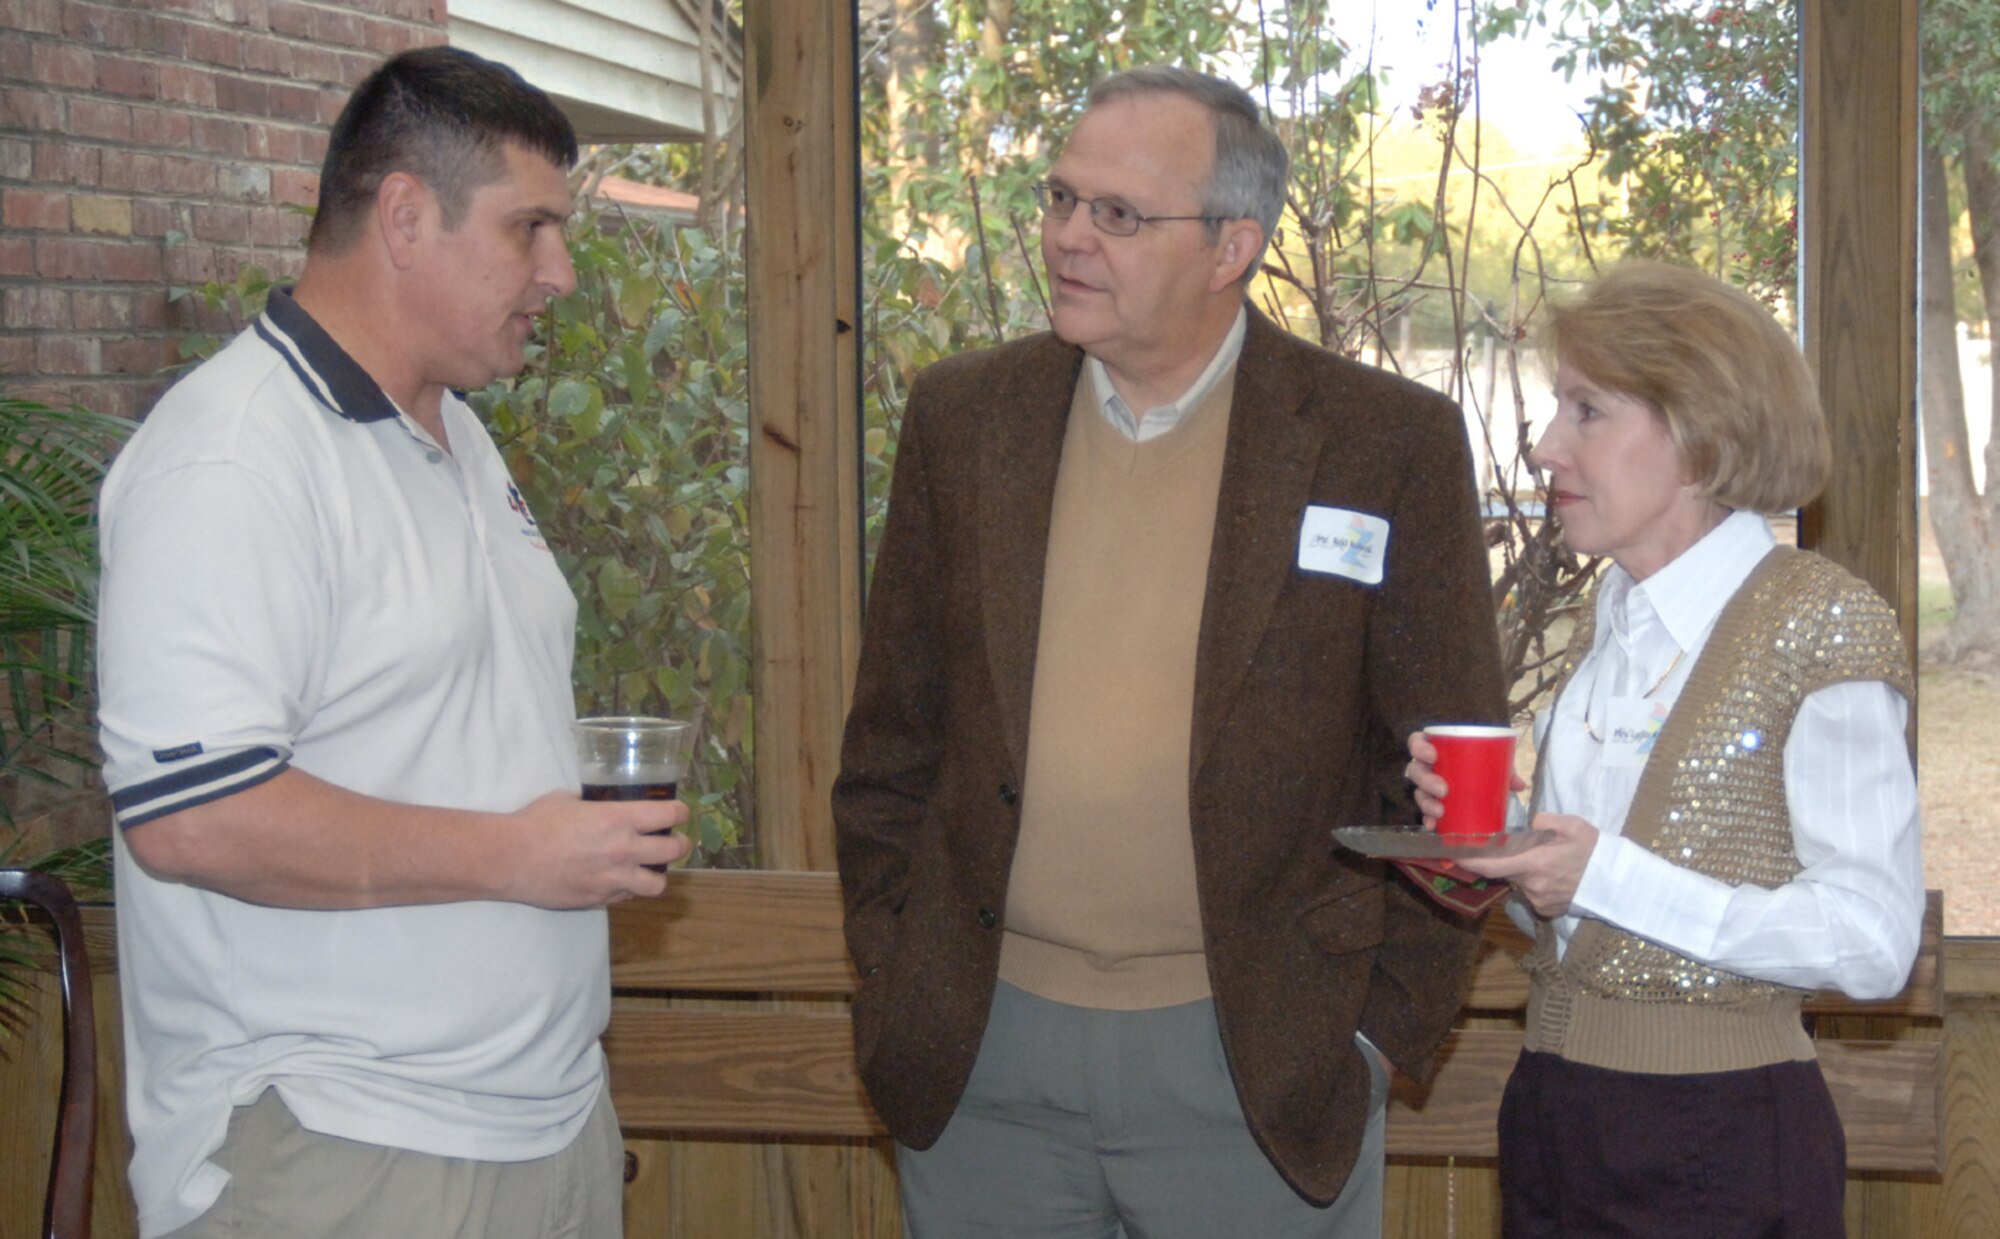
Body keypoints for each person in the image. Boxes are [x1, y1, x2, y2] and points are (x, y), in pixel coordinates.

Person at [833, 65, 1506, 1238]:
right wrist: (898, 978)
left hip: (1255, 1057)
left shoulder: (1375, 442)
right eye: (1059, 200)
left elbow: (1449, 770)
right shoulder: (963, 419)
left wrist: (1372, 1030)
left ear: (1231, 246)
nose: (1067, 239)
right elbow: (892, 740)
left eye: (1118, 216)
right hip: (981, 1057)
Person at [96, 47, 691, 1239]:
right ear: (406, 217)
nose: (561, 273)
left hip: (549, 1125)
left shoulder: (457, 438)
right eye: (531, 229)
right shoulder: (233, 459)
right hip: (340, 1149)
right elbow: (192, 817)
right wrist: (517, 855)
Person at [1411, 260, 1924, 1236]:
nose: (1543, 447)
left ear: (1698, 436)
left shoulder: (1813, 621)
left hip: (1716, 1142)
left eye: (1585, 411)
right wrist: (1501, 864)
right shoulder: (1610, 630)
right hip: (1554, 1115)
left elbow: (1872, 944)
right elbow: (1582, 933)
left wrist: (1599, 875)